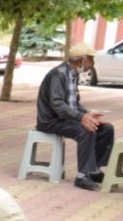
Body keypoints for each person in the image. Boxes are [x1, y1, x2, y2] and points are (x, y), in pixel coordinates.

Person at [36, 43, 115, 191]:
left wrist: (87, 115)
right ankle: (81, 176)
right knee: (86, 130)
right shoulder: (59, 74)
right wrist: (81, 118)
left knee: (106, 128)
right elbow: (58, 105)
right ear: (82, 60)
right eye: (91, 59)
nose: (92, 63)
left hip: (65, 118)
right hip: (51, 120)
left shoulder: (72, 73)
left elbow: (74, 103)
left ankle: (94, 170)